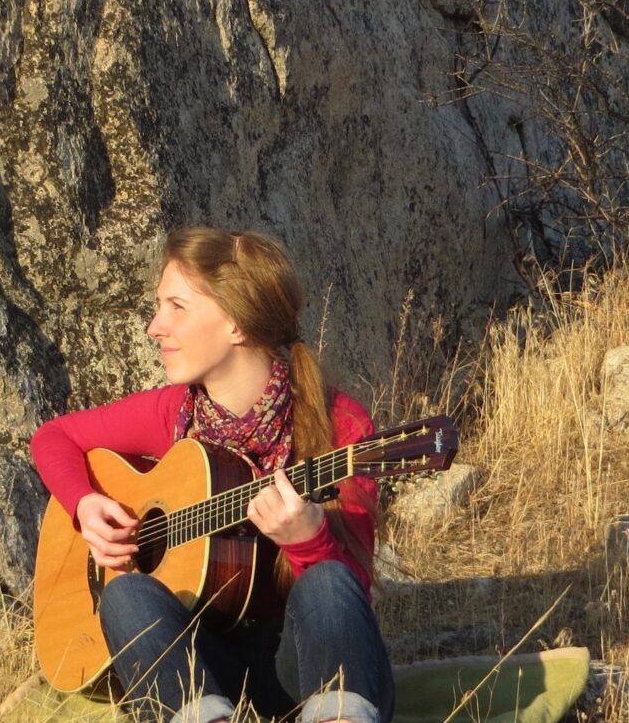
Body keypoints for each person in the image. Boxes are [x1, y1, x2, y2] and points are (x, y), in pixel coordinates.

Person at [30, 227, 394, 723]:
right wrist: (85, 504)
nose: (154, 327)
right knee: (125, 594)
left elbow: (349, 609)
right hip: (213, 673)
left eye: (176, 307)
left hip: (302, 670)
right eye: (159, 306)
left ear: (236, 324)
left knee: (329, 581)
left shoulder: (341, 424)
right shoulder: (173, 412)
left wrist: (308, 542)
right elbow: (54, 437)